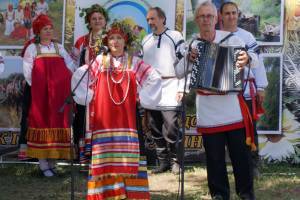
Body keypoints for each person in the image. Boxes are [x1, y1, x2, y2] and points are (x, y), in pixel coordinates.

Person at [175, 1, 258, 200]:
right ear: (196, 20)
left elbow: (251, 63)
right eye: (202, 16)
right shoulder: (193, 44)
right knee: (214, 158)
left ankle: (246, 194)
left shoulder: (232, 40)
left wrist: (247, 60)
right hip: (208, 111)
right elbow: (178, 72)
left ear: (216, 19)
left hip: (232, 109)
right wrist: (188, 58)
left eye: (210, 16)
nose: (206, 20)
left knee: (240, 157)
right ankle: (219, 194)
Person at [72, 20, 161, 200]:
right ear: (107, 42)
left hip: (128, 120)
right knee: (105, 156)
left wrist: (142, 97)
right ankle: (107, 194)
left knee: (130, 155)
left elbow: (154, 77)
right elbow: (80, 77)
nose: (115, 41)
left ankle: (132, 195)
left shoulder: (134, 62)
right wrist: (88, 95)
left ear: (125, 41)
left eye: (119, 38)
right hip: (104, 121)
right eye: (111, 38)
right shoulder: (99, 61)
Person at [22, 14, 76, 177]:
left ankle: (53, 162)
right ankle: (43, 164)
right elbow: (28, 72)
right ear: (38, 31)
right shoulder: (32, 49)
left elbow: (71, 66)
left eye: (50, 29)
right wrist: (41, 89)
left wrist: (65, 84)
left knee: (58, 122)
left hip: (60, 95)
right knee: (42, 122)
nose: (48, 32)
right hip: (42, 95)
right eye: (45, 29)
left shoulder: (59, 48)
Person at [220, 1, 268, 178]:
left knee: (250, 128)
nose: (231, 16)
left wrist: (261, 87)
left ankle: (253, 163)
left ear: (238, 15)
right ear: (221, 16)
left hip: (245, 91)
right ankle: (233, 163)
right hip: (222, 93)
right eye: (227, 13)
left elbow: (258, 62)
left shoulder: (247, 37)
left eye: (234, 13)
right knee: (227, 129)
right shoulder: (216, 36)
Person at [141, 7, 185, 174]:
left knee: (172, 127)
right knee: (155, 127)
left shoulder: (175, 36)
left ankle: (176, 162)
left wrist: (182, 87)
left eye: (153, 18)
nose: (150, 22)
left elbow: (183, 64)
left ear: (162, 18)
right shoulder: (145, 40)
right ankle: (163, 162)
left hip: (171, 85)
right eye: (148, 20)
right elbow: (141, 67)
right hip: (152, 89)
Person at [71, 4, 109, 164]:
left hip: (105, 88)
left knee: (104, 119)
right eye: (94, 19)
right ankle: (84, 156)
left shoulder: (111, 38)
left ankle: (102, 156)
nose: (97, 21)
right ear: (89, 22)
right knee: (82, 120)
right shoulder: (82, 41)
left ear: (105, 20)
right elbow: (74, 65)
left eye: (100, 18)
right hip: (86, 88)